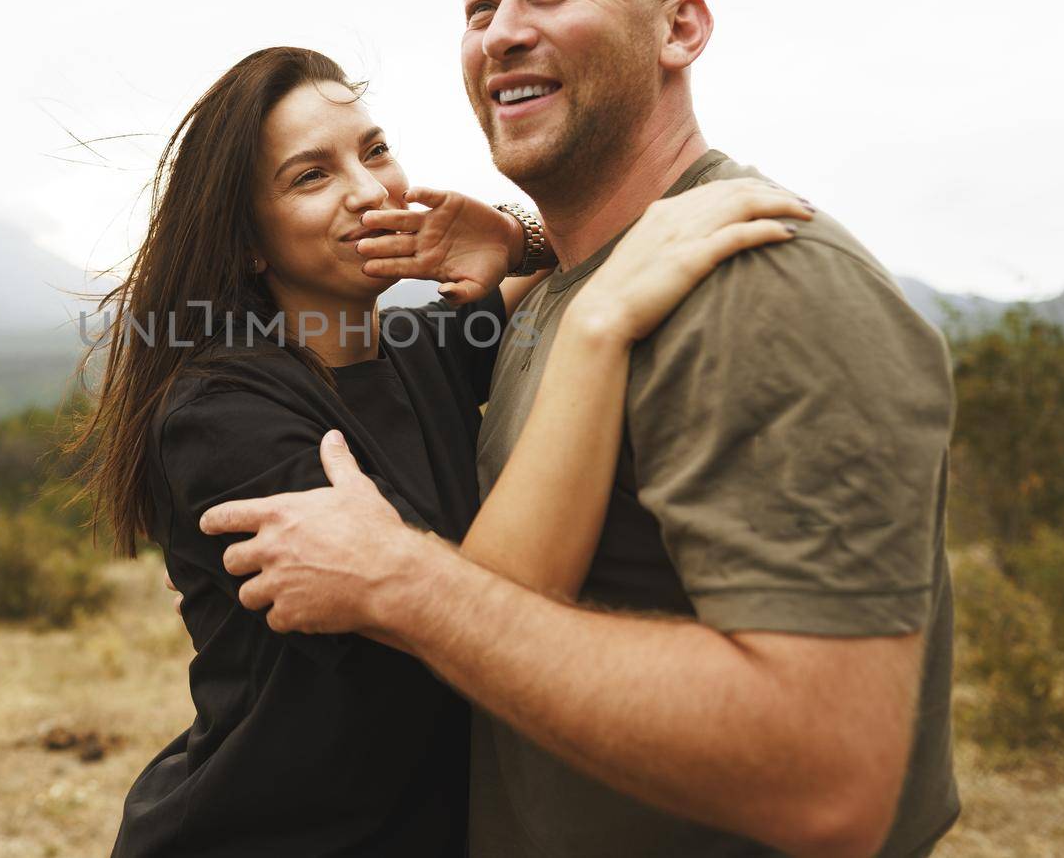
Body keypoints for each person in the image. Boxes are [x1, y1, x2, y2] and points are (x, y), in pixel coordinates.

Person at [200, 0, 960, 858]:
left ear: (679, 29)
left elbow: (826, 780)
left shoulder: (760, 280)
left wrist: (407, 583)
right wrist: (524, 246)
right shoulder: (565, 288)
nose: (502, 32)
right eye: (480, 8)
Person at [72, 45, 811, 857]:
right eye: (311, 176)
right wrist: (601, 330)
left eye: (375, 149)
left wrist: (517, 235)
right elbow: (476, 625)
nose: (369, 190)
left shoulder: (420, 351)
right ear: (250, 244)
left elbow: (579, 253)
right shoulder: (223, 414)